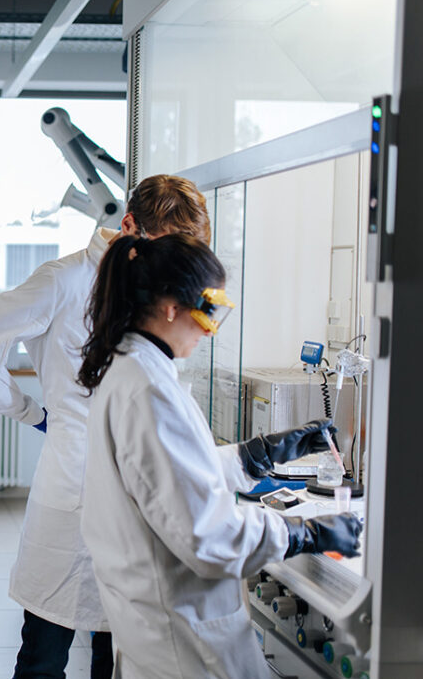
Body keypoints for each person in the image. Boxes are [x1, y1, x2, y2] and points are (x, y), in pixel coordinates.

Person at [0, 174, 212, 679]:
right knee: (45, 654)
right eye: (165, 245)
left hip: (138, 494)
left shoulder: (156, 291)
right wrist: (29, 411)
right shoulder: (63, 279)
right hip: (73, 485)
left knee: (116, 655)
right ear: (130, 224)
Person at [78, 233, 362, 678]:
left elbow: (171, 479)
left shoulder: (136, 367)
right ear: (172, 307)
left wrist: (256, 455)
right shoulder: (149, 388)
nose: (210, 330)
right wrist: (302, 534)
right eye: (209, 313)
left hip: (159, 622)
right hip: (183, 642)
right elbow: (206, 535)